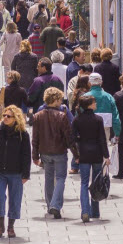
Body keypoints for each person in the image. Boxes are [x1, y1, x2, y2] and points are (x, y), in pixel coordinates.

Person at [0, 105, 31, 238]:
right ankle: (1, 225)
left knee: (14, 199)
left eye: (8, 116)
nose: (5, 118)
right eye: (4, 115)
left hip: (16, 172)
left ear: (16, 118)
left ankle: (11, 226)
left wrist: (26, 174)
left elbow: (26, 155)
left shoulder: (22, 133)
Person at [31, 88, 74, 219]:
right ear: (55, 101)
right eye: (60, 100)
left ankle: (50, 205)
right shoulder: (62, 115)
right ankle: (55, 205)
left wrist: (35, 156)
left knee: (48, 178)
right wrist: (76, 154)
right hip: (59, 151)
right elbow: (68, 136)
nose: (61, 102)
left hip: (45, 152)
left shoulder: (38, 116)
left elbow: (35, 137)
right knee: (60, 178)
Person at [72, 94, 110, 222]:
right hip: (97, 153)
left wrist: (76, 153)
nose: (96, 104)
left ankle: (85, 211)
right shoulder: (98, 119)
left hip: (83, 153)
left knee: (84, 183)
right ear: (89, 105)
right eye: (94, 102)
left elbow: (72, 138)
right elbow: (102, 139)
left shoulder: (77, 120)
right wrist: (106, 155)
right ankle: (95, 211)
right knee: (96, 182)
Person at [85, 73, 121, 141]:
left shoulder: (85, 97)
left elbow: (78, 114)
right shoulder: (109, 97)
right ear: (101, 82)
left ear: (89, 83)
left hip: (88, 127)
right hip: (105, 127)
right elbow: (115, 117)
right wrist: (117, 133)